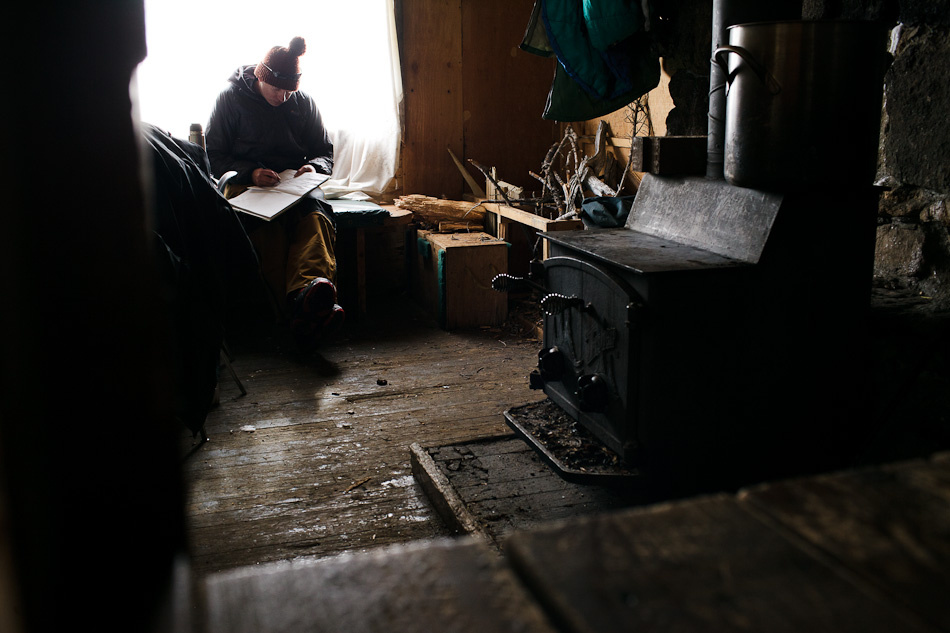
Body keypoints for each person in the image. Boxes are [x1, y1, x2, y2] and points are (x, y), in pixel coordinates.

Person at [206, 36, 342, 352]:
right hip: (247, 184)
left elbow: (324, 152)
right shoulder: (230, 100)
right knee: (268, 232)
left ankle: (307, 296)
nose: (282, 97)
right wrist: (250, 172)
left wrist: (313, 168)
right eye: (277, 89)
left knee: (315, 221)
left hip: (294, 186)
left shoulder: (303, 103)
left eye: (289, 91)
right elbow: (212, 156)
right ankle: (300, 312)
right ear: (260, 77)